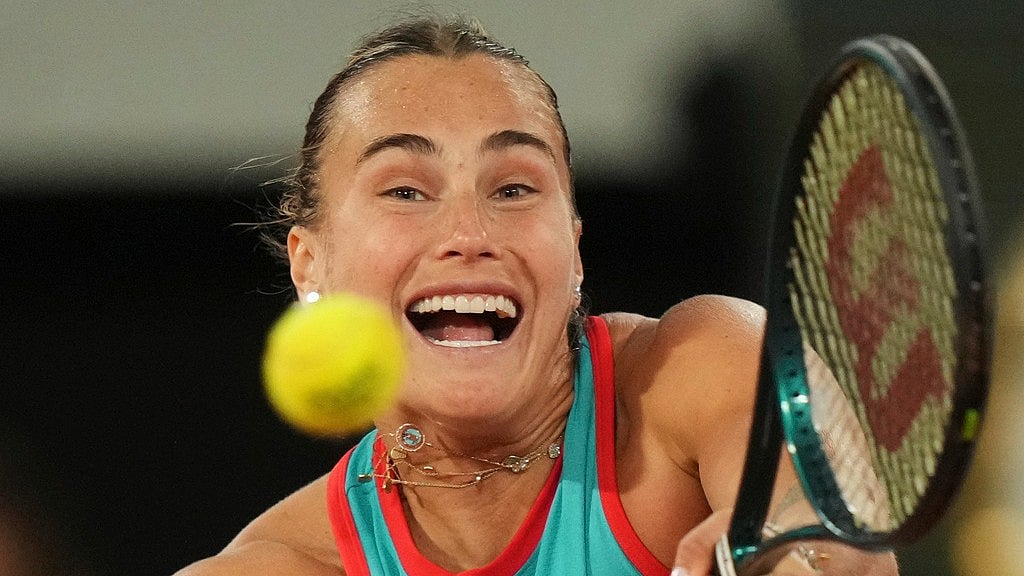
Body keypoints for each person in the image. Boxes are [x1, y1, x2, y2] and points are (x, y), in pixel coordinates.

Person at [176, 14, 898, 576]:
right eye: (405, 190)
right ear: (311, 265)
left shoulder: (707, 364)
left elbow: (825, 529)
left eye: (515, 188)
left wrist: (797, 547)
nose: (468, 231)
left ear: (574, 249)